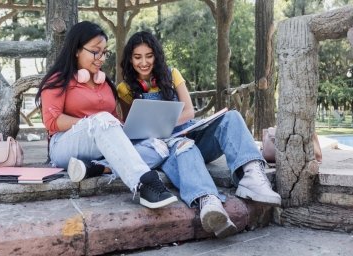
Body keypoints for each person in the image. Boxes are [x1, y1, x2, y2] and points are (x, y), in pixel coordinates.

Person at [117, 31, 281, 238]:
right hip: (166, 148)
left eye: (149, 55)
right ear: (130, 59)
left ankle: (251, 175)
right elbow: (131, 127)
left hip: (189, 131)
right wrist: (161, 135)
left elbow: (189, 112)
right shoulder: (124, 89)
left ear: (156, 56)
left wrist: (166, 125)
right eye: (137, 57)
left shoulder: (171, 74)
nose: (144, 62)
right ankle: (209, 203)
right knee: (184, 146)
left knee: (231, 118)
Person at [35, 22, 177, 209]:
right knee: (102, 120)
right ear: (77, 50)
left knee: (158, 146)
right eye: (95, 52)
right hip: (64, 145)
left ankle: (96, 167)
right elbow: (52, 122)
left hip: (101, 144)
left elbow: (113, 123)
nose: (101, 58)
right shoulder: (58, 81)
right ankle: (145, 183)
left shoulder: (105, 83)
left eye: (104, 52)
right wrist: (92, 123)